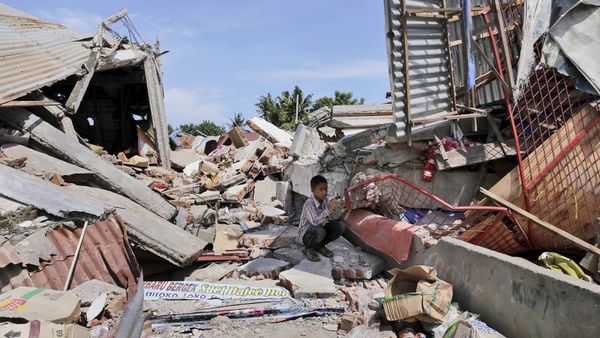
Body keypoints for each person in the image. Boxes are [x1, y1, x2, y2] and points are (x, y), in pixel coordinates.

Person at [299, 175, 346, 262]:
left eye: (326, 189)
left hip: (319, 229)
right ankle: (308, 249)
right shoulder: (309, 204)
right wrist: (328, 210)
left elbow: (332, 218)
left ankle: (320, 246)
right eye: (321, 189)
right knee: (321, 231)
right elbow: (314, 222)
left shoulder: (326, 200)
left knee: (340, 227)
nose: (324, 192)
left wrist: (339, 208)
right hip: (307, 234)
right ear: (313, 190)